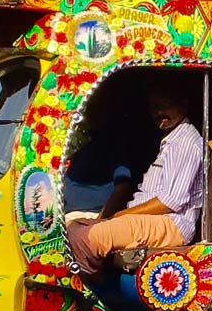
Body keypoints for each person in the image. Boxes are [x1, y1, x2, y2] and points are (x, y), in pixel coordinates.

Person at [68, 82, 204, 280]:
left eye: (164, 105)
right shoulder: (170, 140)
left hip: (169, 224)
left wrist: (121, 214)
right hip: (151, 220)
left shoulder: (185, 143)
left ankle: (89, 297)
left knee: (83, 239)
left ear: (183, 104)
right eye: (154, 107)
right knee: (72, 228)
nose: (159, 112)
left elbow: (170, 202)